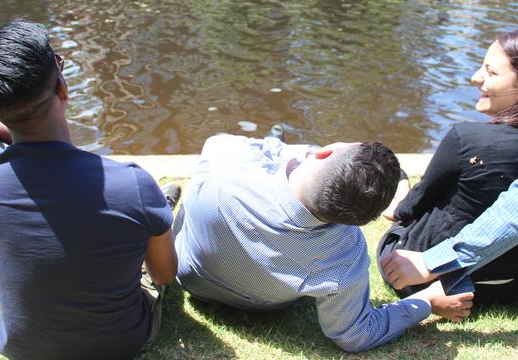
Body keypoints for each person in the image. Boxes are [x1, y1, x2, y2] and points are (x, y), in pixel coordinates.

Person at [0, 20, 177, 360]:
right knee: (154, 248)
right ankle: (161, 210)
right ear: (62, 89)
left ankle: (158, 210)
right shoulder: (130, 182)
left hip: (23, 347)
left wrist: (5, 117)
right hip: (122, 343)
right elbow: (165, 273)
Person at [174, 133, 474, 353]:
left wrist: (295, 153)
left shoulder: (228, 167)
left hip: (186, 274)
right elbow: (355, 334)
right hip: (260, 305)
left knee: (271, 141)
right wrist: (425, 303)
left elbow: (221, 142)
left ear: (323, 153)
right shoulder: (346, 255)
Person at [378, 29, 518, 304]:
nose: (476, 77)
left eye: (490, 72)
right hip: (504, 284)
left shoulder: (465, 139)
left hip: (423, 271)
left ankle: (436, 296)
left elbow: (411, 208)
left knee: (393, 227)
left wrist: (400, 208)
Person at [381, 89, 518, 325]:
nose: (476, 78)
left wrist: (432, 261)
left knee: (399, 235)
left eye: (491, 71)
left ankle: (447, 289)